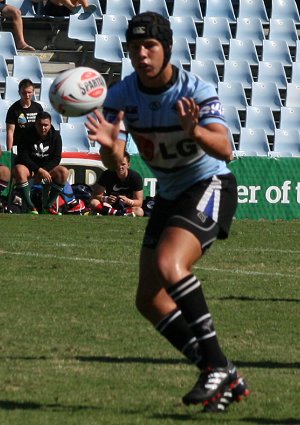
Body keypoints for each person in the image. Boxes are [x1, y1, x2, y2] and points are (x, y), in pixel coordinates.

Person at [86, 12, 250, 413]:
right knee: (148, 299)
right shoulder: (122, 95)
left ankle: (214, 364)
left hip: (210, 184)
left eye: (150, 47)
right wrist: (110, 146)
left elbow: (226, 150)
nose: (142, 55)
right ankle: (220, 369)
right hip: (172, 193)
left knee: (169, 263)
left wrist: (194, 131)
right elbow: (115, 163)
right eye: (135, 48)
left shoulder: (194, 89)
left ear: (167, 48)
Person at [13, 111, 69, 214]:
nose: (43, 128)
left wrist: (44, 171)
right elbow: (23, 156)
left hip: (47, 169)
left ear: (50, 124)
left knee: (63, 172)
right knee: (19, 169)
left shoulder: (56, 136)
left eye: (45, 125)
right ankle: (31, 207)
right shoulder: (26, 134)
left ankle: (48, 206)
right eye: (40, 125)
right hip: (30, 168)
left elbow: (57, 158)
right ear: (35, 123)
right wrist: (38, 170)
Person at [90, 151, 144, 217]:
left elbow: (139, 203)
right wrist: (106, 198)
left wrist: (128, 201)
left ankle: (113, 213)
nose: (120, 167)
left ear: (128, 165)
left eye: (123, 164)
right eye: (117, 163)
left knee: (139, 211)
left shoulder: (135, 177)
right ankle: (119, 214)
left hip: (126, 208)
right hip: (109, 206)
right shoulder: (107, 174)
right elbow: (95, 195)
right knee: (93, 202)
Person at [6, 79, 43, 152]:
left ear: (33, 92)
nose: (27, 95)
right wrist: (9, 151)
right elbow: (10, 132)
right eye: (24, 93)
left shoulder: (38, 107)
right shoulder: (13, 109)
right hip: (19, 147)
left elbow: (42, 126)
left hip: (35, 146)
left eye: (29, 92)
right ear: (19, 92)